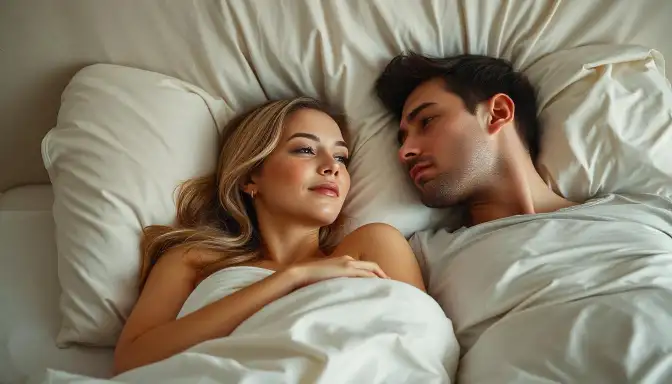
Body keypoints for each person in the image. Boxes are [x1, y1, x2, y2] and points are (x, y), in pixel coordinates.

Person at [374, 52, 672, 381]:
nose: (404, 152)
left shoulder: (650, 213)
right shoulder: (418, 259)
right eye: (401, 139)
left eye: (426, 121)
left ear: (497, 113)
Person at [113, 97, 425, 375]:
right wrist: (291, 278)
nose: (332, 167)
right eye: (305, 150)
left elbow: (419, 346)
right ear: (251, 176)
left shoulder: (371, 246)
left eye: (341, 157)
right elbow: (131, 362)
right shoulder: (193, 259)